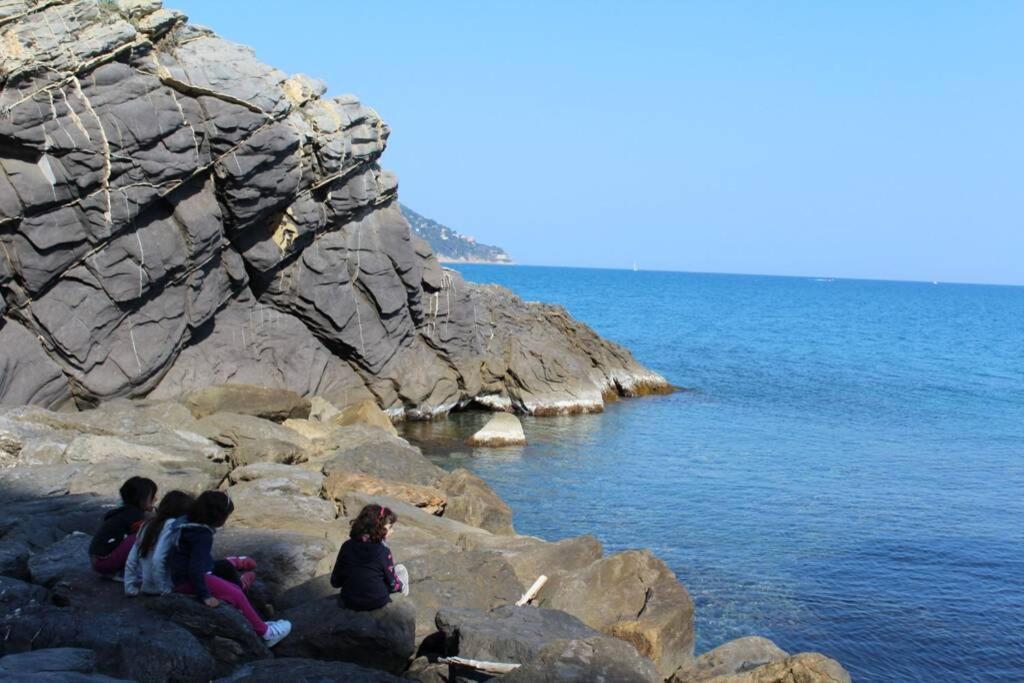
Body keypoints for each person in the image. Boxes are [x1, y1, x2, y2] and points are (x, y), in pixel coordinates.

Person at [167, 491, 291, 647]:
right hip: (188, 580)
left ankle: (254, 620)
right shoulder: (202, 535)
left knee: (232, 587)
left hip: (180, 575)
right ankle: (266, 633)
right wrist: (205, 596)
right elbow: (195, 568)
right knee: (236, 593)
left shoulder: (186, 524)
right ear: (218, 518)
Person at [330, 503, 409, 611]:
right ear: (379, 528)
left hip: (349, 600)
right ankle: (402, 603)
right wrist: (400, 585)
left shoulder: (347, 546)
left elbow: (335, 582)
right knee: (401, 570)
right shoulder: (383, 551)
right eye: (390, 527)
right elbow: (393, 584)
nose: (392, 531)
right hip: (376, 601)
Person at [124, 490, 193, 596]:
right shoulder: (172, 525)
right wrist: (163, 588)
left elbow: (131, 559)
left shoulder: (147, 524)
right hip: (165, 586)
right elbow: (158, 558)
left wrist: (129, 587)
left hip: (146, 586)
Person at [89, 476, 158, 578]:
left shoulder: (124, 512)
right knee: (144, 535)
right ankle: (125, 572)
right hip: (104, 562)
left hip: (98, 560)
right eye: (152, 497)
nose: (155, 499)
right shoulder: (134, 515)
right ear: (141, 499)